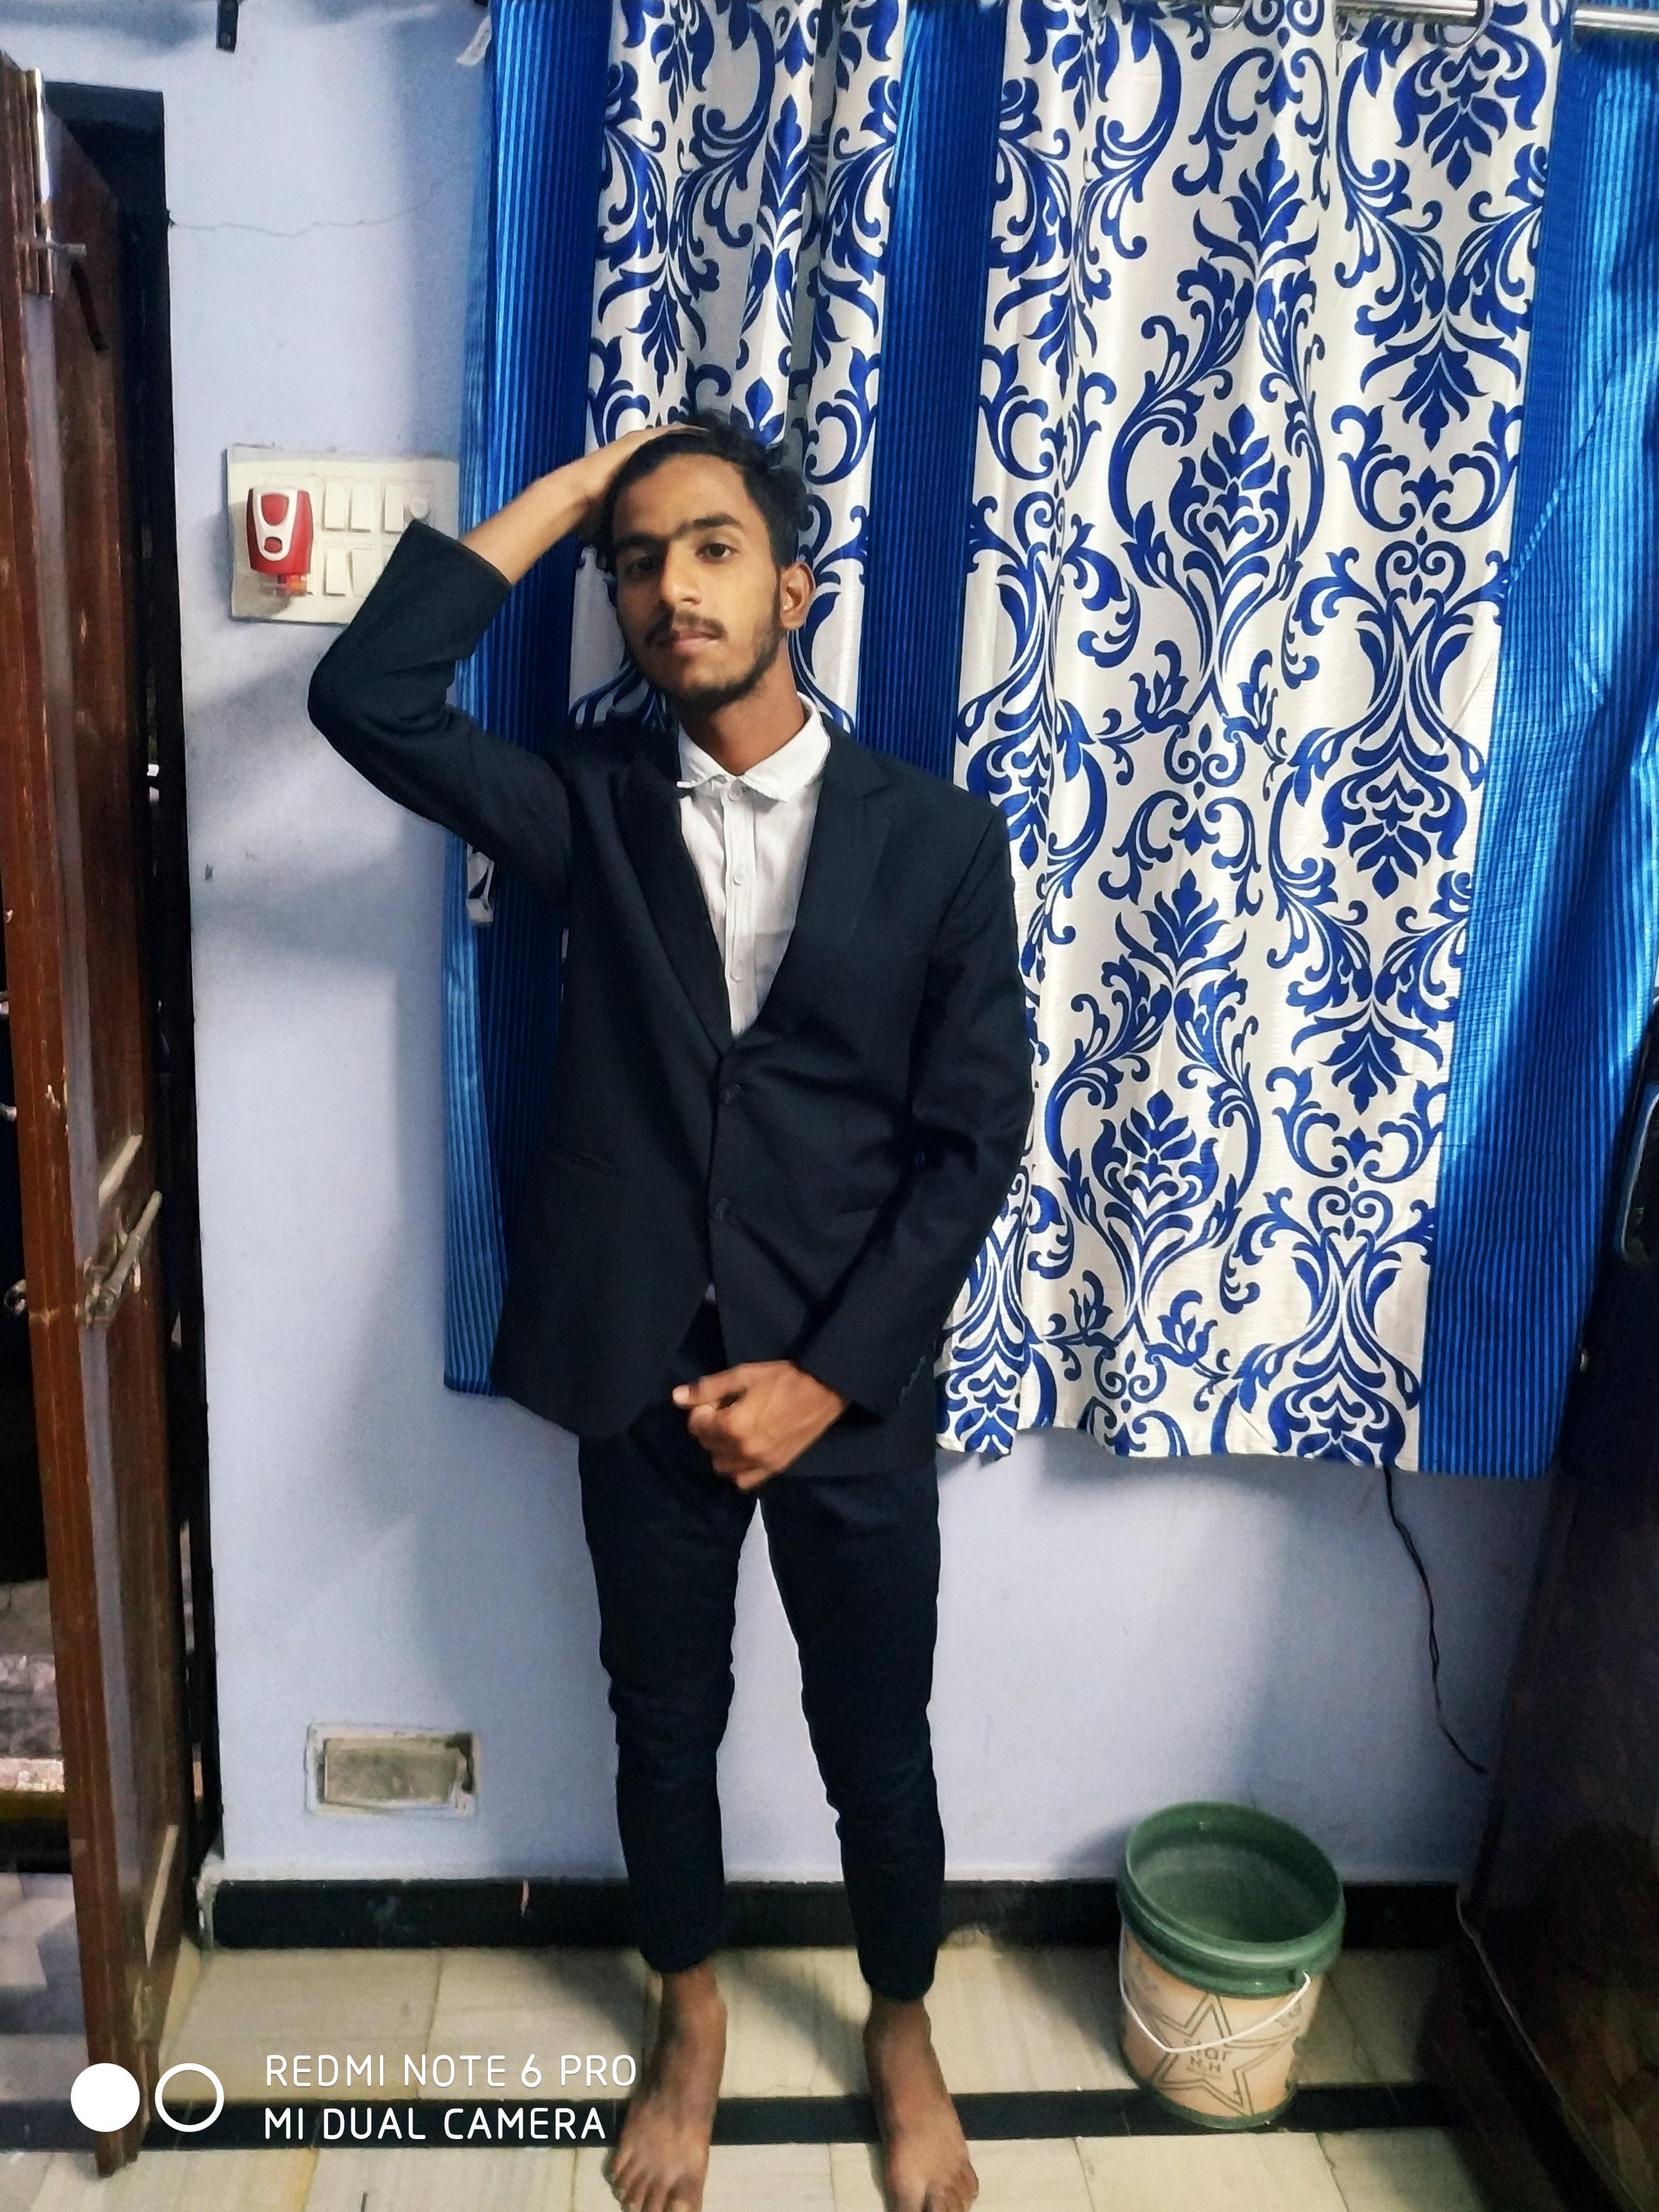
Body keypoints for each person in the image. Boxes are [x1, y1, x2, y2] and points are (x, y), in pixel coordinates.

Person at [306, 410, 1031, 2212]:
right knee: (662, 1722)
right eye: (638, 563)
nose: (670, 587)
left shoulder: (940, 841)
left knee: (878, 1742)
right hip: (637, 1356)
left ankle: (903, 2024)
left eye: (713, 547)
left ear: (795, 589)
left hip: (847, 1380)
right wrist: (568, 497)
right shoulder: (593, 803)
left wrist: (826, 1381)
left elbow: (971, 1147)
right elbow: (368, 698)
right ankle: (689, 2013)